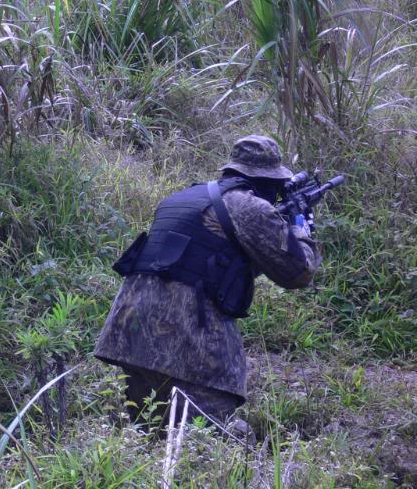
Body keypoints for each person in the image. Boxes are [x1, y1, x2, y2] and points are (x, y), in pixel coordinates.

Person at [94, 135, 321, 434]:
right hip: (186, 340)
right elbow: (298, 272)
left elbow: (208, 262)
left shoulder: (184, 197)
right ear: (266, 179)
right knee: (219, 437)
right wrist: (300, 227)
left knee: (150, 432)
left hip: (129, 335)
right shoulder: (249, 207)